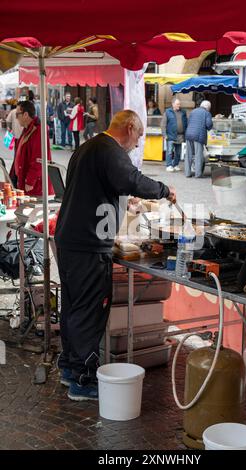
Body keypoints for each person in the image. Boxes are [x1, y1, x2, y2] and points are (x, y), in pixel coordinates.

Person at [55, 110, 176, 401]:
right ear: (130, 127)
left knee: (73, 307)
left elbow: (102, 185)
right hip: (88, 244)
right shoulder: (110, 150)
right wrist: (164, 190)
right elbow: (131, 179)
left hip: (70, 240)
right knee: (89, 311)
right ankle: (83, 381)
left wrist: (126, 200)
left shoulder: (88, 147)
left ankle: (70, 368)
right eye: (140, 134)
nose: (139, 142)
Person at [11, 100, 53, 196]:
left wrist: (30, 180)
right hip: (25, 182)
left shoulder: (38, 131)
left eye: (17, 114)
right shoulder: (27, 129)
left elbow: (39, 159)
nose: (16, 118)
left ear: (25, 114)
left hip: (35, 186)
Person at [185, 100, 213, 178]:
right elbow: (209, 125)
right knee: (198, 155)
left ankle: (187, 173)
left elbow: (188, 122)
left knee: (188, 154)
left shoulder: (193, 111)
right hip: (198, 135)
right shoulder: (207, 113)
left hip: (189, 134)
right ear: (208, 107)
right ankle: (198, 174)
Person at [161, 97, 187, 172]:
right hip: (171, 135)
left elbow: (185, 123)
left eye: (179, 104)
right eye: (177, 104)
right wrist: (164, 134)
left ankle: (175, 164)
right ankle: (169, 165)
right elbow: (163, 124)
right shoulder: (168, 112)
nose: (179, 105)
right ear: (173, 104)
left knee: (178, 152)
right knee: (169, 151)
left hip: (180, 135)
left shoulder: (183, 112)